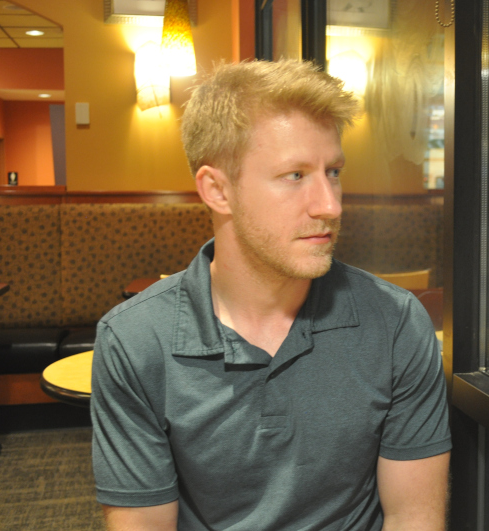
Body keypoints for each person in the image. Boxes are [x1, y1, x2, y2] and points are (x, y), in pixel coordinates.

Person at [90, 59, 452, 530]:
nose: (330, 205)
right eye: (295, 175)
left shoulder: (395, 321)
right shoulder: (134, 340)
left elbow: (413, 516)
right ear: (217, 190)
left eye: (333, 172)